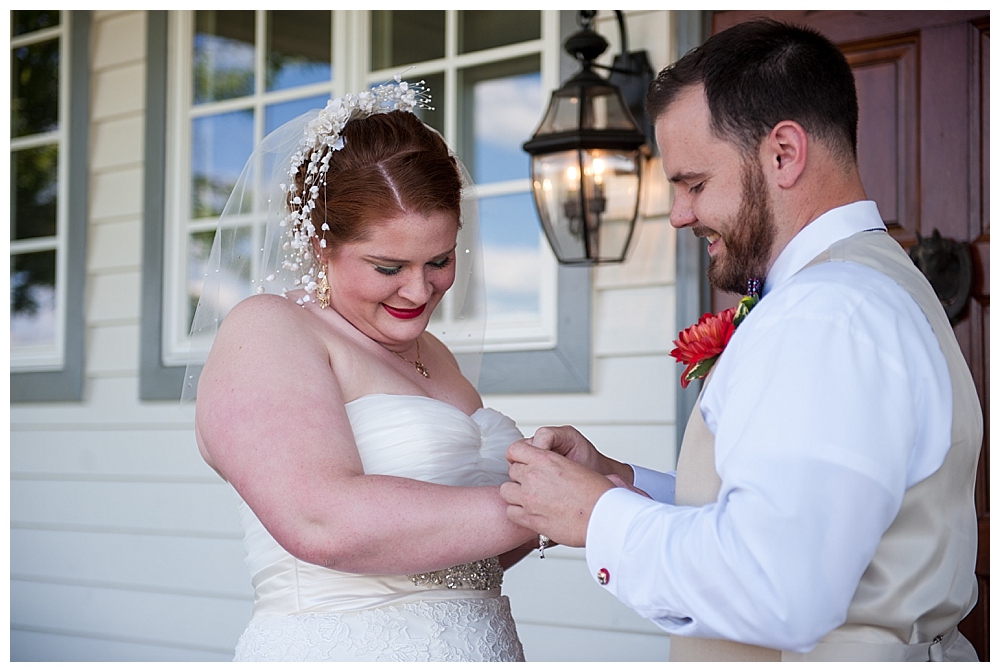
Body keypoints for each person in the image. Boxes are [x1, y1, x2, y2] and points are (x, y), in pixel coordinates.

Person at [501, 18, 981, 662]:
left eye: (695, 184)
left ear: (784, 153)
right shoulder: (877, 282)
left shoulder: (823, 314)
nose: (678, 215)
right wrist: (620, 484)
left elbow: (777, 587)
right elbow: (803, 508)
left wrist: (600, 519)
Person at [192, 81, 536, 662]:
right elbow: (319, 519)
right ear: (318, 243)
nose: (419, 289)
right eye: (387, 266)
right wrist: (544, 503)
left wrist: (557, 492)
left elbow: (465, 553)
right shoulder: (271, 330)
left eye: (441, 260)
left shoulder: (438, 358)